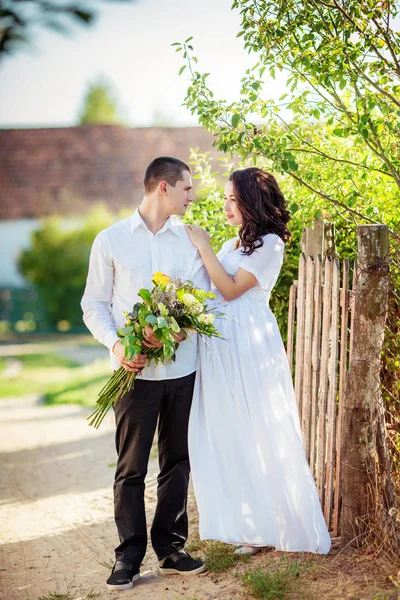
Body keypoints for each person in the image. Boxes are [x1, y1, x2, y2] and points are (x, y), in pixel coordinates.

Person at [185, 167, 331, 556]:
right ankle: (250, 524)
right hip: (221, 346)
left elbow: (230, 290)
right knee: (230, 429)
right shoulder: (236, 243)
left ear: (252, 200)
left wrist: (203, 248)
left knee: (258, 426)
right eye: (227, 198)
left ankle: (277, 522)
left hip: (249, 343)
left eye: (233, 198)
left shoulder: (269, 244)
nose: (226, 204)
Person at [81, 157, 209, 591]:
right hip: (132, 373)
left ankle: (171, 548)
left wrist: (172, 331)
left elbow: (197, 301)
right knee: (131, 467)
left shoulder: (189, 241)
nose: (192, 196)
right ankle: (128, 556)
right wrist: (119, 345)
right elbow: (93, 304)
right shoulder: (111, 240)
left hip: (182, 368)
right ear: (163, 188)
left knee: (177, 461)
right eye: (186, 189)